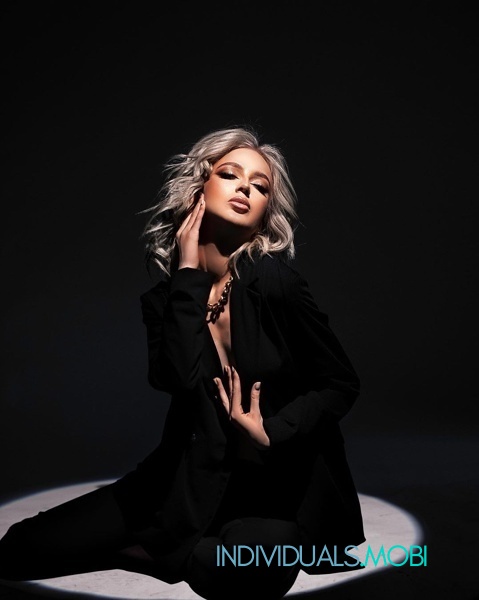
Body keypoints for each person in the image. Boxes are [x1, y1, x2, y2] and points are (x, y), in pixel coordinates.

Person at [0, 126, 365, 600]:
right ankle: (155, 545)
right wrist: (188, 276)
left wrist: (273, 431)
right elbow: (177, 377)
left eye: (259, 186)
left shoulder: (277, 284)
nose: (244, 188)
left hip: (268, 490)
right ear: (198, 188)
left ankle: (163, 552)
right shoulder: (166, 300)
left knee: (255, 571)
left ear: (265, 213)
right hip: (183, 481)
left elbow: (340, 383)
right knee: (19, 549)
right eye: (230, 175)